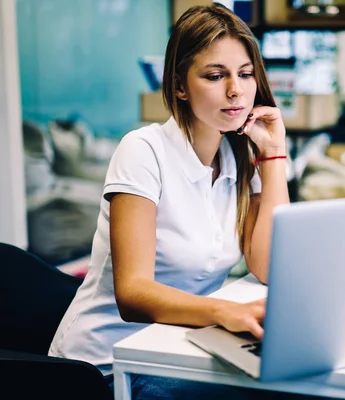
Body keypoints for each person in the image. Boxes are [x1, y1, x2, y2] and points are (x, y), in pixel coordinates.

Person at [49, 3, 292, 399]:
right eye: (215, 75)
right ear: (180, 86)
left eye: (245, 74)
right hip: (107, 366)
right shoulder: (143, 151)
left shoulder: (239, 156)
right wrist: (226, 313)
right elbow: (134, 294)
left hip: (179, 347)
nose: (236, 90)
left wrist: (274, 156)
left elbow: (267, 266)